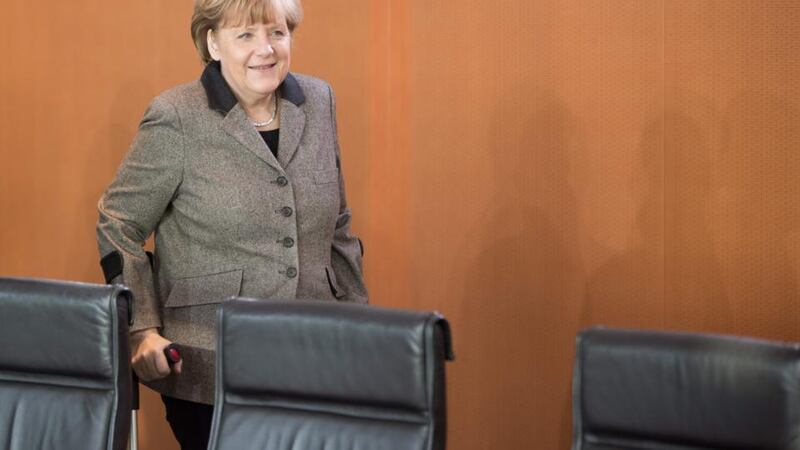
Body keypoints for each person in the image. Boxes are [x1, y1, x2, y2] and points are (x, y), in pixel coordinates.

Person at [96, 0, 368, 448]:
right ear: (213, 43)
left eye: (277, 32)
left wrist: (359, 324)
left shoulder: (319, 100)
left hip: (316, 354)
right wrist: (141, 331)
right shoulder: (176, 115)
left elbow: (337, 224)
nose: (266, 48)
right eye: (245, 35)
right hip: (211, 364)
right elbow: (118, 224)